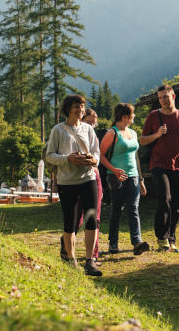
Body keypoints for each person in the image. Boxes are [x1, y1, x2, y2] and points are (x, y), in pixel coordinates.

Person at [45, 95, 103, 276]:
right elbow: (49, 155)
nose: (81, 110)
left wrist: (93, 160)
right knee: (69, 221)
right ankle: (71, 260)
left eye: (83, 107)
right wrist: (68, 159)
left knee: (92, 220)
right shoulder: (58, 130)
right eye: (77, 106)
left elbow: (96, 153)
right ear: (68, 109)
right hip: (66, 181)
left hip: (88, 178)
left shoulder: (88, 129)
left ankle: (89, 261)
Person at [140, 85, 179, 252]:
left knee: (176, 204)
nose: (163, 100)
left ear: (173, 96)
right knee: (164, 199)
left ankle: (172, 238)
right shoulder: (153, 116)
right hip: (159, 164)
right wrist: (157, 134)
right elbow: (143, 140)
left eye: (166, 97)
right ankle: (162, 239)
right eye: (160, 98)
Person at [99, 103, 150, 255]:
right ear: (124, 116)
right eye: (132, 115)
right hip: (116, 177)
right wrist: (114, 170)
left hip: (133, 175)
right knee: (117, 209)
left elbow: (136, 157)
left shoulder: (133, 134)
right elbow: (100, 155)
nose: (133, 117)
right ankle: (113, 244)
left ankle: (137, 242)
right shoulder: (112, 133)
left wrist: (140, 179)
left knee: (133, 208)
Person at [81, 108, 102, 263]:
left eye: (94, 123)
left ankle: (93, 254)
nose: (91, 125)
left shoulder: (93, 135)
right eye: (88, 122)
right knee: (77, 216)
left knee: (95, 215)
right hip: (77, 176)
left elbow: (98, 155)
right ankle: (66, 245)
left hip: (94, 174)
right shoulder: (75, 134)